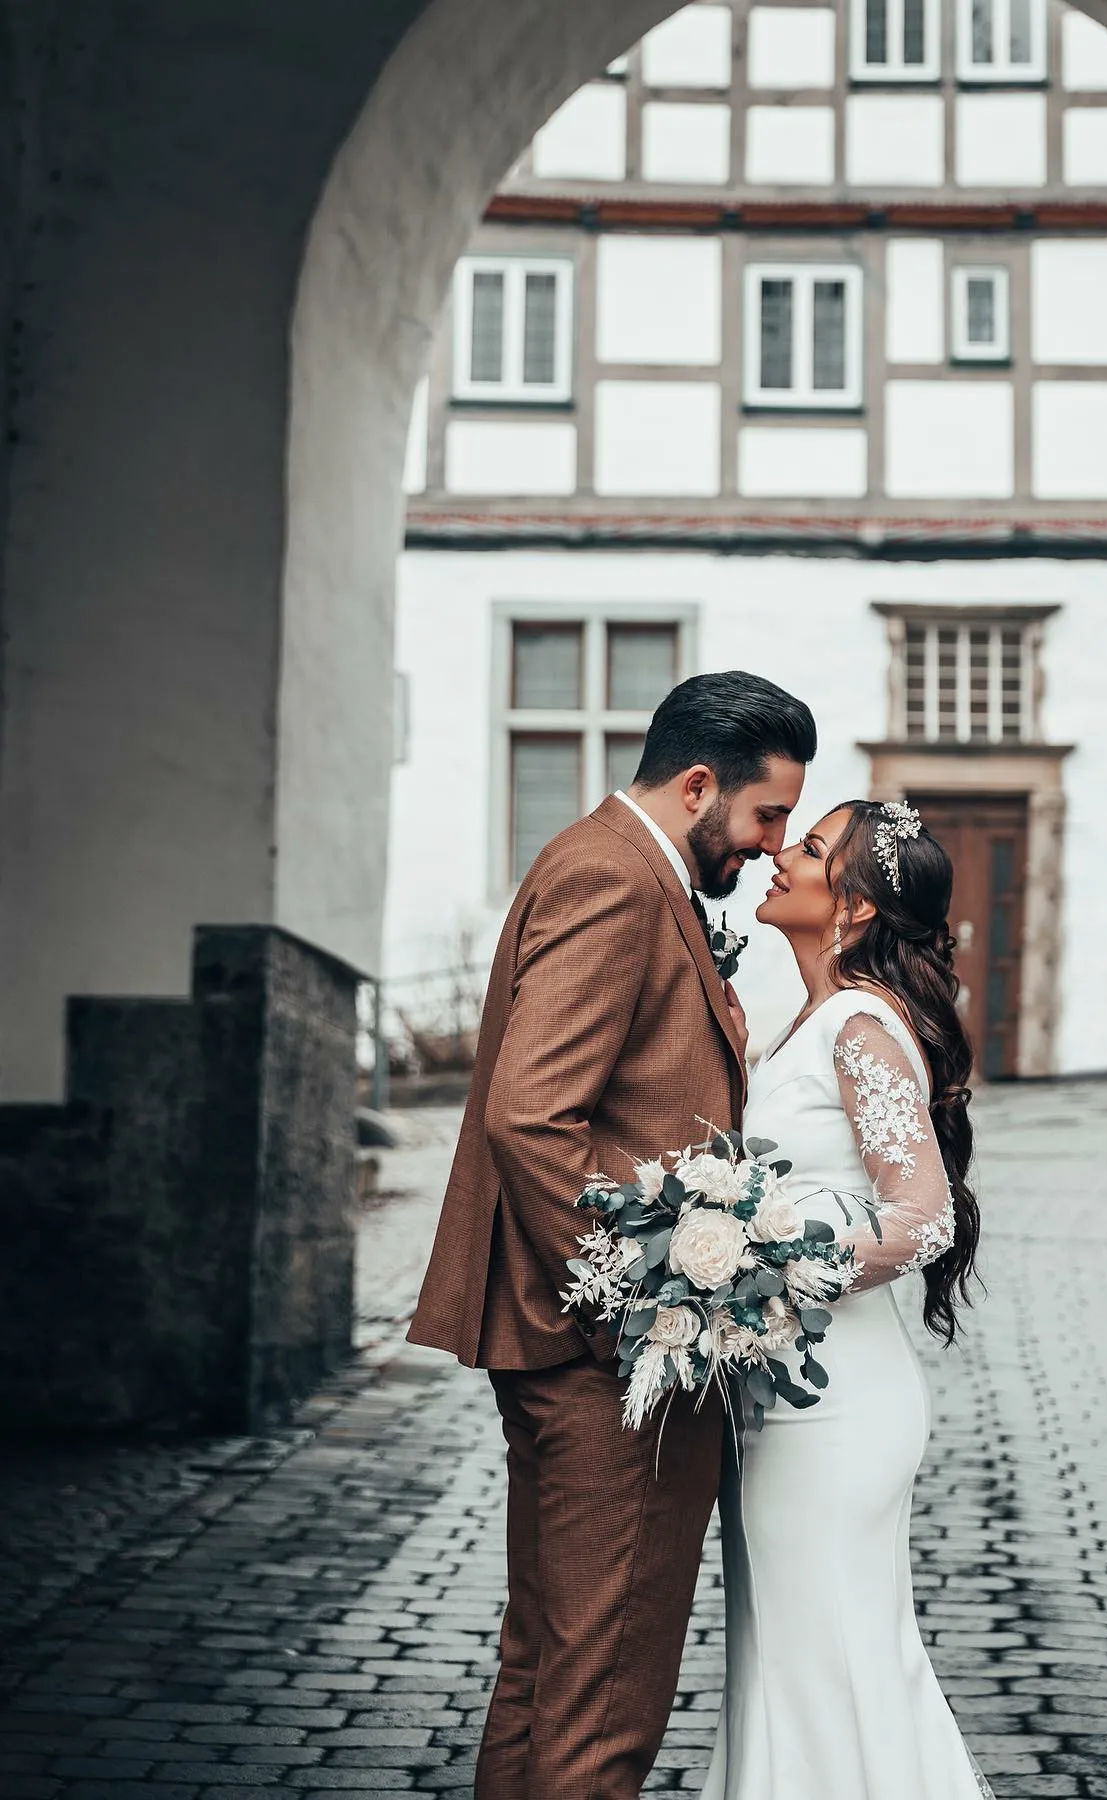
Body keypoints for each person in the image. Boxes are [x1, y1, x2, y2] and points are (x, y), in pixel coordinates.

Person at [406, 670, 817, 1800]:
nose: (771, 843)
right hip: (606, 1359)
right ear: (698, 786)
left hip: (561, 1344)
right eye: (767, 814)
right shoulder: (616, 878)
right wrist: (642, 1305)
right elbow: (531, 1114)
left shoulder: (615, 864)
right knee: (605, 1703)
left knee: (545, 1672)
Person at [700, 798, 992, 1800]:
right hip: (780, 1397)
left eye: (812, 849)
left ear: (857, 908)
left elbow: (925, 1214)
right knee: (788, 1659)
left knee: (833, 1660)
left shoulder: (862, 1027)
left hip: (837, 1401)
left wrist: (764, 1266)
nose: (781, 855)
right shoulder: (806, 1024)